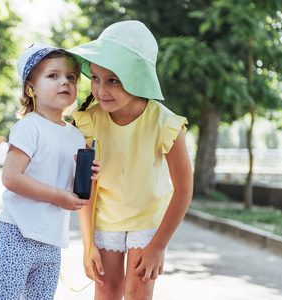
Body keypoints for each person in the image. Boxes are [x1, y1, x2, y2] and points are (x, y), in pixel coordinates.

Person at [69, 20, 193, 299]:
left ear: (138, 78)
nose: (101, 91)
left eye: (113, 80)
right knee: (107, 292)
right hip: (105, 221)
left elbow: (184, 190)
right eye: (97, 78)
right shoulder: (86, 122)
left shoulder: (166, 124)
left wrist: (158, 246)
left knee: (138, 293)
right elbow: (84, 188)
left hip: (149, 223)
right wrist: (89, 244)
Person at [0, 43, 100, 300]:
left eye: (71, 77)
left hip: (51, 240)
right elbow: (11, 178)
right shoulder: (29, 127)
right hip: (17, 233)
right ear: (31, 87)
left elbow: (74, 190)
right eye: (53, 75)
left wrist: (88, 175)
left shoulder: (75, 135)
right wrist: (58, 197)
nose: (65, 82)